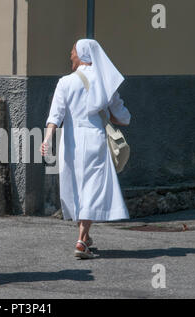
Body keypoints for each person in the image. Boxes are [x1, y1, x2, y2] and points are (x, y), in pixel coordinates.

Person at [40, 39, 131, 259]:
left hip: (71, 141)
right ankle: (83, 239)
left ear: (82, 54)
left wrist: (47, 139)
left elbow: (56, 116)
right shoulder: (105, 82)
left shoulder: (65, 82)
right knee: (92, 187)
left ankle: (83, 237)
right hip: (96, 139)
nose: (70, 54)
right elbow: (124, 119)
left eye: (72, 51)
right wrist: (106, 114)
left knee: (77, 187)